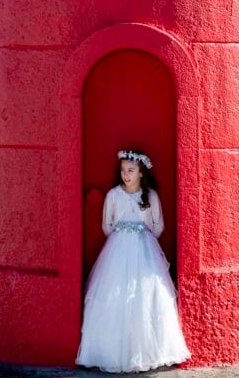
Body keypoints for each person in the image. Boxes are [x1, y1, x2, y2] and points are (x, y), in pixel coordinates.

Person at [76, 149, 190, 372]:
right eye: (123, 171)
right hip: (117, 250)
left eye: (130, 170)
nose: (126, 175)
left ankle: (147, 351)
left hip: (145, 249)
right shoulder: (113, 195)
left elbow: (158, 226)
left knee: (145, 295)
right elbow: (106, 226)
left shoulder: (151, 196)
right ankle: (110, 352)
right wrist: (123, 237)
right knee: (116, 294)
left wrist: (142, 237)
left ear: (141, 173)